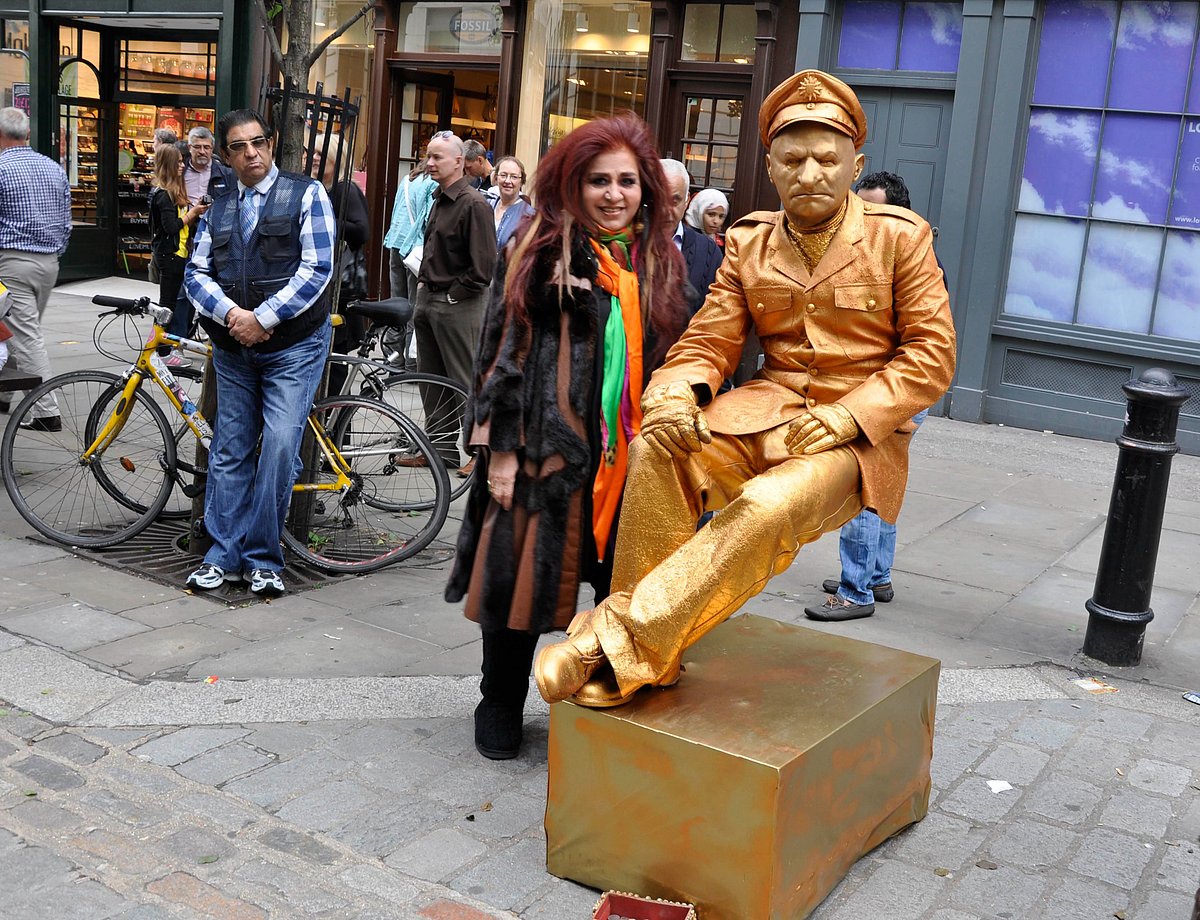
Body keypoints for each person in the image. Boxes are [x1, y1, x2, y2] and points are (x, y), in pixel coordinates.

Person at [532, 70, 957, 708]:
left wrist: (849, 418)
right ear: (769, 167)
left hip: (856, 436)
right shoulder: (749, 243)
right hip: (762, 411)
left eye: (826, 159)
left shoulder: (900, 238)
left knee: (763, 509)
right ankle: (655, 656)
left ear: (855, 164)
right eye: (792, 160)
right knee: (656, 450)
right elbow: (708, 342)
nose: (809, 173)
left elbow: (932, 354)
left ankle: (611, 643)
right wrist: (672, 394)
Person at [445, 113, 688, 759]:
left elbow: (683, 354)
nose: (614, 194)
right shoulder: (538, 246)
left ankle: (608, 702)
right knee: (516, 590)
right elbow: (499, 346)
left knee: (623, 592)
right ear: (574, 185)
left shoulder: (661, 260)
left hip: (630, 462)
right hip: (539, 453)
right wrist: (497, 449)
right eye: (599, 180)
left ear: (647, 190)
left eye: (627, 182)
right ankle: (499, 699)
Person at [183, 109, 336, 598]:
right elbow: (194, 274)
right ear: (225, 155)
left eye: (258, 142)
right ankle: (222, 554)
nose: (251, 153)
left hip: (292, 346)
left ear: (270, 143)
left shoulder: (306, 193)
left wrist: (262, 318)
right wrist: (233, 316)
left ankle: (264, 557)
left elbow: (317, 270)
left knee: (279, 449)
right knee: (228, 449)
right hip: (233, 348)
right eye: (239, 146)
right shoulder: (220, 203)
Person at [812, 170, 937, 621]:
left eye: (872, 209)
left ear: (898, 211)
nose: (861, 217)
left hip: (888, 392)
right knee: (882, 481)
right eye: (857, 207)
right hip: (877, 389)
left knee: (861, 486)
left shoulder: (906, 255)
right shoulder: (867, 250)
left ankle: (855, 590)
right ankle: (876, 576)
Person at [410, 131, 496, 475]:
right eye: (428, 156)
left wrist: (451, 295)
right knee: (431, 381)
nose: (430, 163)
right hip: (429, 300)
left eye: (437, 157)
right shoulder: (439, 197)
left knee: (465, 382)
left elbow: (484, 268)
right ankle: (439, 450)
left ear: (459, 162)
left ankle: (479, 454)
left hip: (458, 305)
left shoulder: (474, 204)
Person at [0, 107, 71, 428]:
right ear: (27, 135)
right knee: (18, 332)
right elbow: (67, 222)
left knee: (25, 337)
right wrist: (56, 253)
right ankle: (4, 396)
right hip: (48, 264)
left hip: (12, 262)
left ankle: (46, 412)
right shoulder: (53, 167)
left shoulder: (1, 167)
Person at [310, 133, 370, 398]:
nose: (313, 158)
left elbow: (362, 231)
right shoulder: (324, 188)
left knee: (334, 364)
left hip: (341, 292)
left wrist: (322, 221)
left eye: (321, 155)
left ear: (336, 159)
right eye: (312, 152)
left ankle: (335, 432)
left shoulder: (345, 188)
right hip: (331, 286)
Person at [148, 144, 209, 367]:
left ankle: (157, 349)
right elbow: (171, 227)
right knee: (166, 305)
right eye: (179, 162)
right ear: (169, 166)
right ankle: (161, 352)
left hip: (179, 253)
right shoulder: (163, 195)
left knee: (169, 304)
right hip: (170, 255)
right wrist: (192, 213)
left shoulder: (173, 192)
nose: (183, 166)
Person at [661, 158, 722, 316]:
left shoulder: (710, 252)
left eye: (675, 201)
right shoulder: (628, 245)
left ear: (687, 200)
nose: (667, 210)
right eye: (661, 199)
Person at [489, 155, 534, 249]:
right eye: (503, 175)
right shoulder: (486, 206)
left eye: (514, 177)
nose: (508, 181)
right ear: (496, 178)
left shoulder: (529, 216)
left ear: (522, 181)